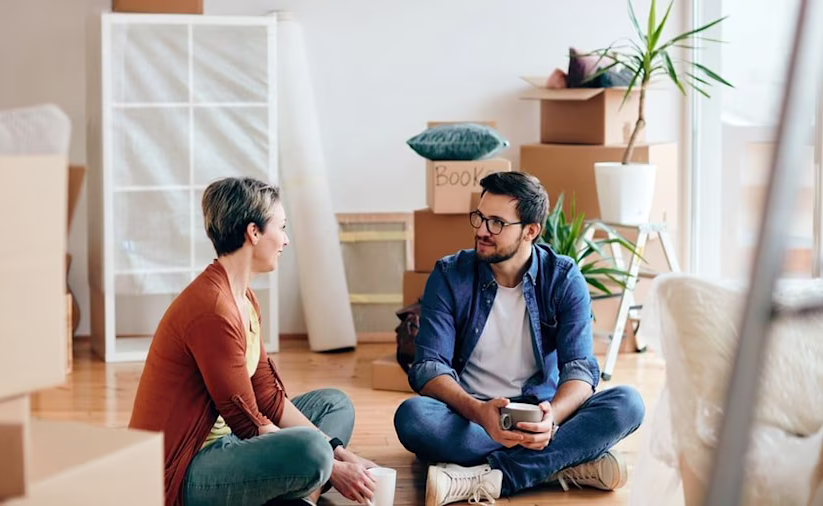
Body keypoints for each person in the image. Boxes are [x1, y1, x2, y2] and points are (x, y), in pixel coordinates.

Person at [393, 172, 645, 506]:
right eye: (480, 217)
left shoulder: (564, 277)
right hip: (474, 417)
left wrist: (551, 418)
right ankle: (563, 464)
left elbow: (580, 370)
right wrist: (479, 411)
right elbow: (428, 366)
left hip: (539, 415)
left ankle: (491, 478)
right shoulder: (450, 274)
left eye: (497, 223)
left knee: (628, 404)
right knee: (413, 418)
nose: (482, 230)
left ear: (530, 231)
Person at [130, 177, 377, 506]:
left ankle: (299, 493)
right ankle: (300, 489)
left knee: (333, 404)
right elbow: (250, 423)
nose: (286, 240)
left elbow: (266, 396)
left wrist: (342, 453)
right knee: (314, 451)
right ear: (254, 232)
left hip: (232, 440)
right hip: (185, 468)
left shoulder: (242, 298)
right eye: (282, 227)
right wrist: (332, 467)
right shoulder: (213, 310)